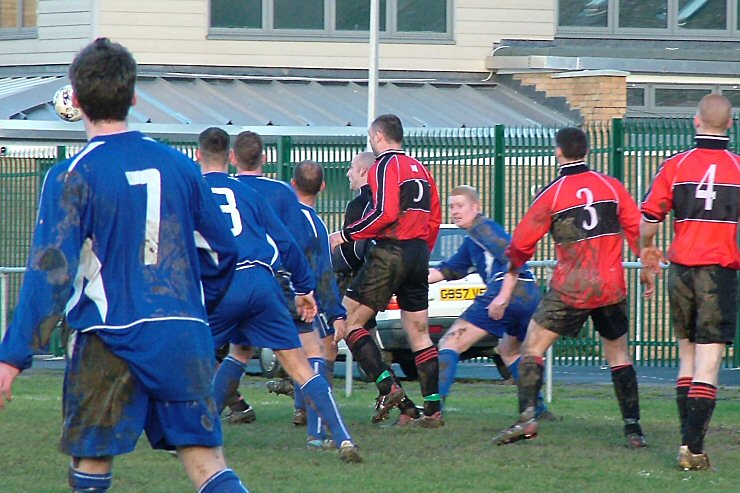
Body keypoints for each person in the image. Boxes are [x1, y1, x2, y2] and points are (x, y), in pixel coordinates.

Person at [0, 39, 250, 492]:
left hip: (109, 335)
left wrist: (13, 355)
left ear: (75, 102)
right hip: (180, 331)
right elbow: (223, 253)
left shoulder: (73, 175)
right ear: (134, 96)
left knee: (92, 463)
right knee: (206, 461)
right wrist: (194, 307)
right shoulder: (181, 167)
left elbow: (51, 273)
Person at [198, 128, 362, 463]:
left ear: (198, 156)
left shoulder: (191, 192)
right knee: (298, 364)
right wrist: (305, 290)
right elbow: (288, 243)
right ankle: (342, 438)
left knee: (196, 360)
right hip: (263, 284)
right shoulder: (255, 194)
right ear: (229, 156)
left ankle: (195, 433)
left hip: (223, 285)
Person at [492, 127, 647, 449]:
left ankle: (527, 418)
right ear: (587, 151)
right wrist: (646, 262)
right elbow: (637, 229)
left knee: (532, 347)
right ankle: (634, 430)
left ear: (558, 152)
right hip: (610, 285)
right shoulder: (612, 186)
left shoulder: (551, 194)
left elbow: (522, 243)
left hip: (571, 287)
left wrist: (512, 268)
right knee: (618, 354)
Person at [640, 94, 740, 471]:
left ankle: (688, 441)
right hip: (718, 272)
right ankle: (692, 449)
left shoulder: (675, 166)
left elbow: (650, 218)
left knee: (687, 357)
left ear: (695, 122)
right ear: (730, 125)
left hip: (681, 270)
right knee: (709, 363)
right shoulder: (738, 168)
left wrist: (648, 248)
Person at [329, 114, 443, 427]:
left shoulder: (385, 165)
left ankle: (389, 388)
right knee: (419, 333)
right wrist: (421, 250)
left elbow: (385, 212)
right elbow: (434, 217)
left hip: (391, 250)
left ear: (379, 136)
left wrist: (347, 234)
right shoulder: (421, 168)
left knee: (350, 322)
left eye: (370, 135)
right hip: (419, 252)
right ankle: (432, 411)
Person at [429, 186, 552, 419]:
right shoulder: (472, 239)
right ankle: (538, 409)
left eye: (460, 206)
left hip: (510, 293)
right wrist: (414, 280)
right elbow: (450, 269)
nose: (455, 211)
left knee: (450, 342)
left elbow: (512, 257)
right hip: (529, 295)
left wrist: (503, 297)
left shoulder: (483, 228)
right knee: (509, 350)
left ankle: (433, 410)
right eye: (452, 206)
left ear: (476, 208)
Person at [231, 131, 320, 427]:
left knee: (237, 352)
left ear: (233, 159)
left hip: (230, 281)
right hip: (276, 279)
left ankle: (204, 420)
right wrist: (304, 287)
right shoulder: (280, 191)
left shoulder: (225, 189)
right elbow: (296, 241)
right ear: (265, 159)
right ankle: (313, 421)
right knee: (309, 351)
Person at [332, 151, 422, 425]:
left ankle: (310, 406)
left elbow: (356, 251)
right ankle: (406, 407)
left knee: (337, 334)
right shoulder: (384, 199)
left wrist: (330, 254)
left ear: (362, 172)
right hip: (382, 276)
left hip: (359, 280)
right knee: (366, 347)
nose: (348, 173)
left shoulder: (361, 203)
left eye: (351, 168)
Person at [290, 160, 349, 446]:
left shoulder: (278, 216)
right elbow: (324, 273)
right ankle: (316, 431)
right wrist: (337, 312)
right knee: (319, 351)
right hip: (302, 300)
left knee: (237, 354)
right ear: (322, 188)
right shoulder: (315, 224)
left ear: (292, 184)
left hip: (267, 296)